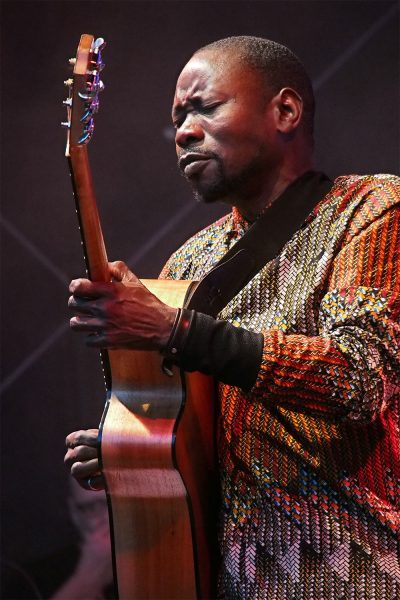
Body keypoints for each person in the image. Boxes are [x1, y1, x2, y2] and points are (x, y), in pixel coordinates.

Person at [64, 36, 400, 599]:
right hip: (235, 584)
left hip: (362, 573)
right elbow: (208, 433)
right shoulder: (190, 262)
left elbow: (359, 380)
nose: (184, 132)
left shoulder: (372, 210)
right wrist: (142, 455)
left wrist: (176, 330)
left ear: (285, 112)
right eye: (177, 119)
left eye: (204, 107)